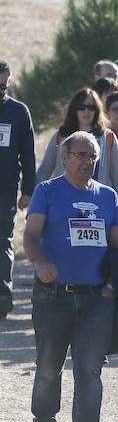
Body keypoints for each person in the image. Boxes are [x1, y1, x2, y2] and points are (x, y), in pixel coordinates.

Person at [23, 131, 118, 422]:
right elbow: (31, 236)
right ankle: (44, 419)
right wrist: (40, 263)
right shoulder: (47, 192)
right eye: (79, 155)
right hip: (54, 296)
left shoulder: (107, 196)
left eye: (92, 156)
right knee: (49, 367)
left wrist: (114, 282)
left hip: (96, 299)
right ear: (63, 157)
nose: (86, 161)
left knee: (89, 370)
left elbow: (116, 246)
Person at [36, 88, 118, 228]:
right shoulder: (60, 136)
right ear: (75, 109)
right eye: (82, 107)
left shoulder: (108, 138)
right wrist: (37, 203)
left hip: (98, 206)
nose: (86, 111)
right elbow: (44, 170)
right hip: (63, 204)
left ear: (97, 110)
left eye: (91, 107)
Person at [0, 60, 35, 318]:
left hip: (5, 188)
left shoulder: (18, 112)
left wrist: (28, 190)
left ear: (9, 82)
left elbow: (28, 154)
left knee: (2, 240)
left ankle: (2, 295)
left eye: (3, 85)